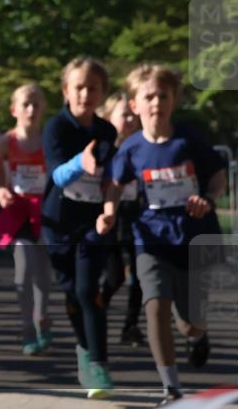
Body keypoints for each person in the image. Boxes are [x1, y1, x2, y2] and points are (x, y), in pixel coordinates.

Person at [106, 64, 226, 406]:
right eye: (149, 96)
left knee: (190, 324)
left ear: (173, 101)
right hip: (152, 240)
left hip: (194, 237)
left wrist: (209, 199)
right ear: (135, 104)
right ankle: (171, 388)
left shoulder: (188, 139)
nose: (156, 102)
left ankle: (198, 336)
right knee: (155, 306)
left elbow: (218, 176)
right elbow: (115, 186)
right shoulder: (131, 148)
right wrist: (109, 212)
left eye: (163, 95)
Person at [41, 57, 117, 399]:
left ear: (102, 93)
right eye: (79, 87)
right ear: (66, 91)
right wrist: (80, 163)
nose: (86, 93)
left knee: (89, 291)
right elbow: (56, 174)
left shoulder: (107, 131)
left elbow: (113, 178)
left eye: (93, 88)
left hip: (93, 223)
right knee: (72, 292)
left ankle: (98, 364)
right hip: (58, 223)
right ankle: (84, 350)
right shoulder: (55, 127)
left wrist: (110, 208)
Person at [0, 84, 54, 355]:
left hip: (45, 210)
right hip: (18, 211)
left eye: (36, 105)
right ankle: (26, 327)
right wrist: (1, 188)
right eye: (26, 104)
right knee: (23, 268)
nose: (31, 109)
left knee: (42, 272)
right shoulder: (7, 141)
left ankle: (43, 318)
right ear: (14, 109)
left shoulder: (48, 139)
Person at [99, 92, 147, 348]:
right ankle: (98, 308)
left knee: (139, 275)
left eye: (131, 114)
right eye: (123, 115)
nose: (129, 119)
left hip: (137, 215)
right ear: (109, 118)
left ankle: (131, 325)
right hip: (110, 216)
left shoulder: (143, 146)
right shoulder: (105, 150)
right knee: (114, 275)